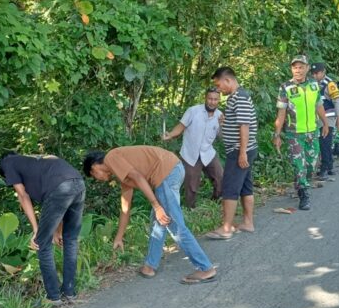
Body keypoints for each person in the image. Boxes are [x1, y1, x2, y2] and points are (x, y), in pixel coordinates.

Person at [82, 146, 217, 284]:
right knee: (159, 222)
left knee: (174, 224)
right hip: (171, 170)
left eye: (94, 176)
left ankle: (205, 268)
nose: (97, 179)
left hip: (166, 172)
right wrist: (119, 237)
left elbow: (138, 177)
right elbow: (125, 209)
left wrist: (157, 205)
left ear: (94, 167)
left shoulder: (110, 158)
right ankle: (149, 266)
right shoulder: (122, 174)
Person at [0, 152, 85, 306]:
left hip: (60, 188)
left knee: (41, 244)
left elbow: (23, 195)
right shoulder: (39, 159)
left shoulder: (8, 162)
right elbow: (60, 198)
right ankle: (70, 292)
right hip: (78, 183)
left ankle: (53, 296)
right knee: (70, 239)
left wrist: (36, 229)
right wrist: (57, 231)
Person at [205, 67, 258, 239]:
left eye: (218, 84)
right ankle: (248, 223)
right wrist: (226, 122)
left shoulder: (240, 97)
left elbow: (244, 126)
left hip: (239, 150)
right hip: (244, 149)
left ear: (228, 80)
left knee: (230, 187)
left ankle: (226, 228)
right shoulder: (237, 97)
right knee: (245, 187)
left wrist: (242, 152)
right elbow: (239, 122)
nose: (218, 89)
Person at [273, 55, 329, 211]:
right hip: (294, 134)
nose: (297, 70)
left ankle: (303, 182)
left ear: (307, 68)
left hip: (312, 131)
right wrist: (277, 135)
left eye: (301, 67)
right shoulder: (286, 87)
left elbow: (318, 105)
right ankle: (303, 194)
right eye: (295, 67)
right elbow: (281, 114)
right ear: (292, 69)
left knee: (311, 164)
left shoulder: (313, 85)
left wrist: (325, 123)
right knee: (299, 166)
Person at [161, 88, 224, 208]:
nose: (212, 102)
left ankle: (216, 201)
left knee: (220, 177)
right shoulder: (193, 111)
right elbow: (181, 126)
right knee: (191, 185)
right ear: (205, 98)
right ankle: (191, 208)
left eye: (215, 99)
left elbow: (220, 137)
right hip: (190, 153)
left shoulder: (220, 116)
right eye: (210, 98)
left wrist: (222, 125)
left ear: (219, 100)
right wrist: (170, 135)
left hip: (208, 153)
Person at [310, 62, 339, 180]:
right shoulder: (312, 84)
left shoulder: (329, 84)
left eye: (317, 73)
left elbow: (337, 100)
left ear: (323, 72)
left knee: (325, 143)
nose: (315, 76)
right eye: (313, 74)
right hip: (317, 119)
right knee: (325, 143)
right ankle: (329, 167)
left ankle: (324, 169)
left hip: (329, 118)